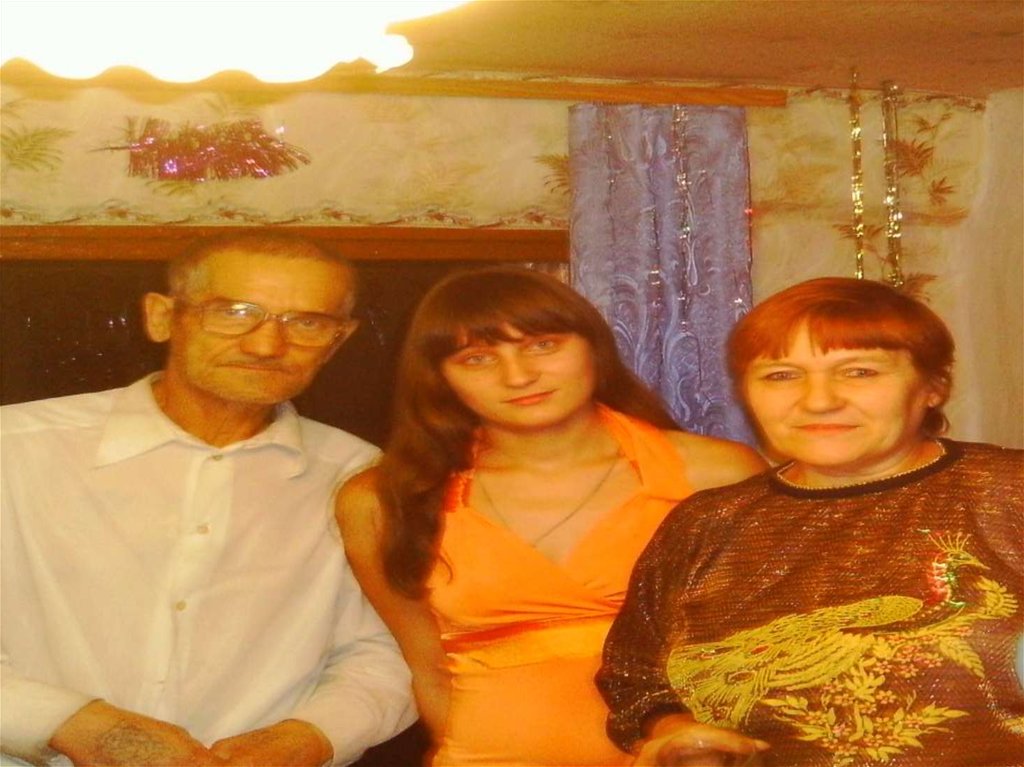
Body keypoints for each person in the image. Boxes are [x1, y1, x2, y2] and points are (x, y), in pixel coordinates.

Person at [0, 233, 415, 767]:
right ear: (162, 317)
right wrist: (67, 722)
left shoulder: (360, 478)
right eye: (233, 313)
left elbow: (387, 651)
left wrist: (311, 738)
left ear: (339, 340)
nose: (266, 346)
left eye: (307, 323)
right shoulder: (15, 449)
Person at [334, 266, 766, 766]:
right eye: (477, 358)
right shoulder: (382, 500)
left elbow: (765, 654)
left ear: (594, 347)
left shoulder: (714, 473)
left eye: (542, 346)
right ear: (439, 377)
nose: (518, 377)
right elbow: (427, 669)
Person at [597, 276, 1024, 766]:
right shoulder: (705, 524)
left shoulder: (1009, 493)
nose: (818, 401)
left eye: (859, 372)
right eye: (781, 375)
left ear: (933, 386)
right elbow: (635, 678)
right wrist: (678, 733)